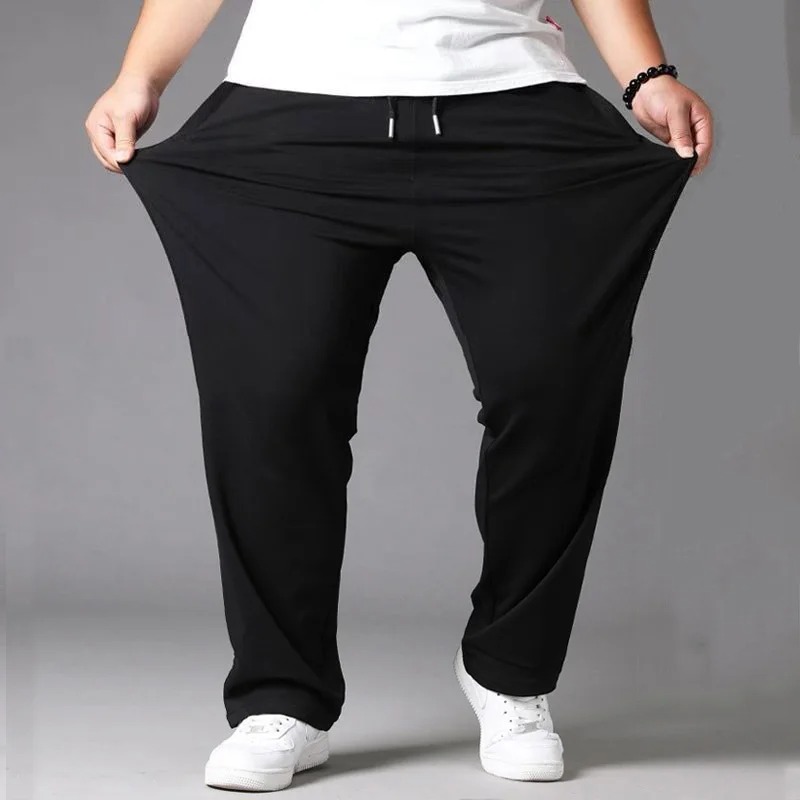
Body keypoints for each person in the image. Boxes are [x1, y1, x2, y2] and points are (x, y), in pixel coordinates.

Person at [85, 0, 713, 790]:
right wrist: (140, 76)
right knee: (271, 404)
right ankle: (281, 695)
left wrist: (647, 77)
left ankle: (511, 671)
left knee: (556, 387)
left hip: (512, 105)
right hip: (293, 110)